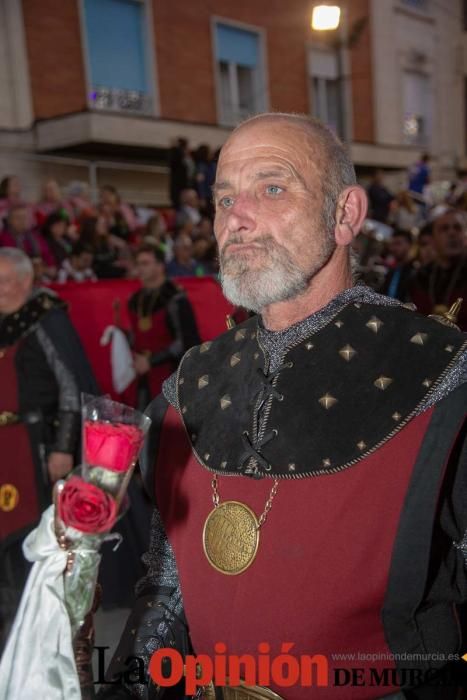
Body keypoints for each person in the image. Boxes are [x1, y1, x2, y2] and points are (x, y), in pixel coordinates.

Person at [100, 114, 466, 699]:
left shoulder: (444, 373)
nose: (237, 218)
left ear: (345, 214)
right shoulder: (192, 381)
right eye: (224, 199)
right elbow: (168, 589)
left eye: (272, 188)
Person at [0, 247, 98, 655]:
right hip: (4, 449)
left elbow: (72, 386)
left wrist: (63, 449)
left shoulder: (45, 318)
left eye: (4, 282)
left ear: (25, 281)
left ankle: (36, 640)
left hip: (35, 448)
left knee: (29, 541)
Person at [127, 244, 201, 410]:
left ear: (160, 266)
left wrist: (151, 360)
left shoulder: (175, 297)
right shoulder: (134, 300)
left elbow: (185, 342)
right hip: (143, 376)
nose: (140, 268)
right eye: (138, 264)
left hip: (171, 375)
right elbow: (136, 337)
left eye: (145, 263)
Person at [409, 208, 467, 330]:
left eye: (457, 228)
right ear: (433, 240)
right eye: (444, 229)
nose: (452, 233)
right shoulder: (421, 277)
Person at [380, 229, 416, 302]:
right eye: (392, 244)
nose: (393, 248)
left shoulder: (415, 272)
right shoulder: (393, 270)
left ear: (409, 245)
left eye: (398, 244)